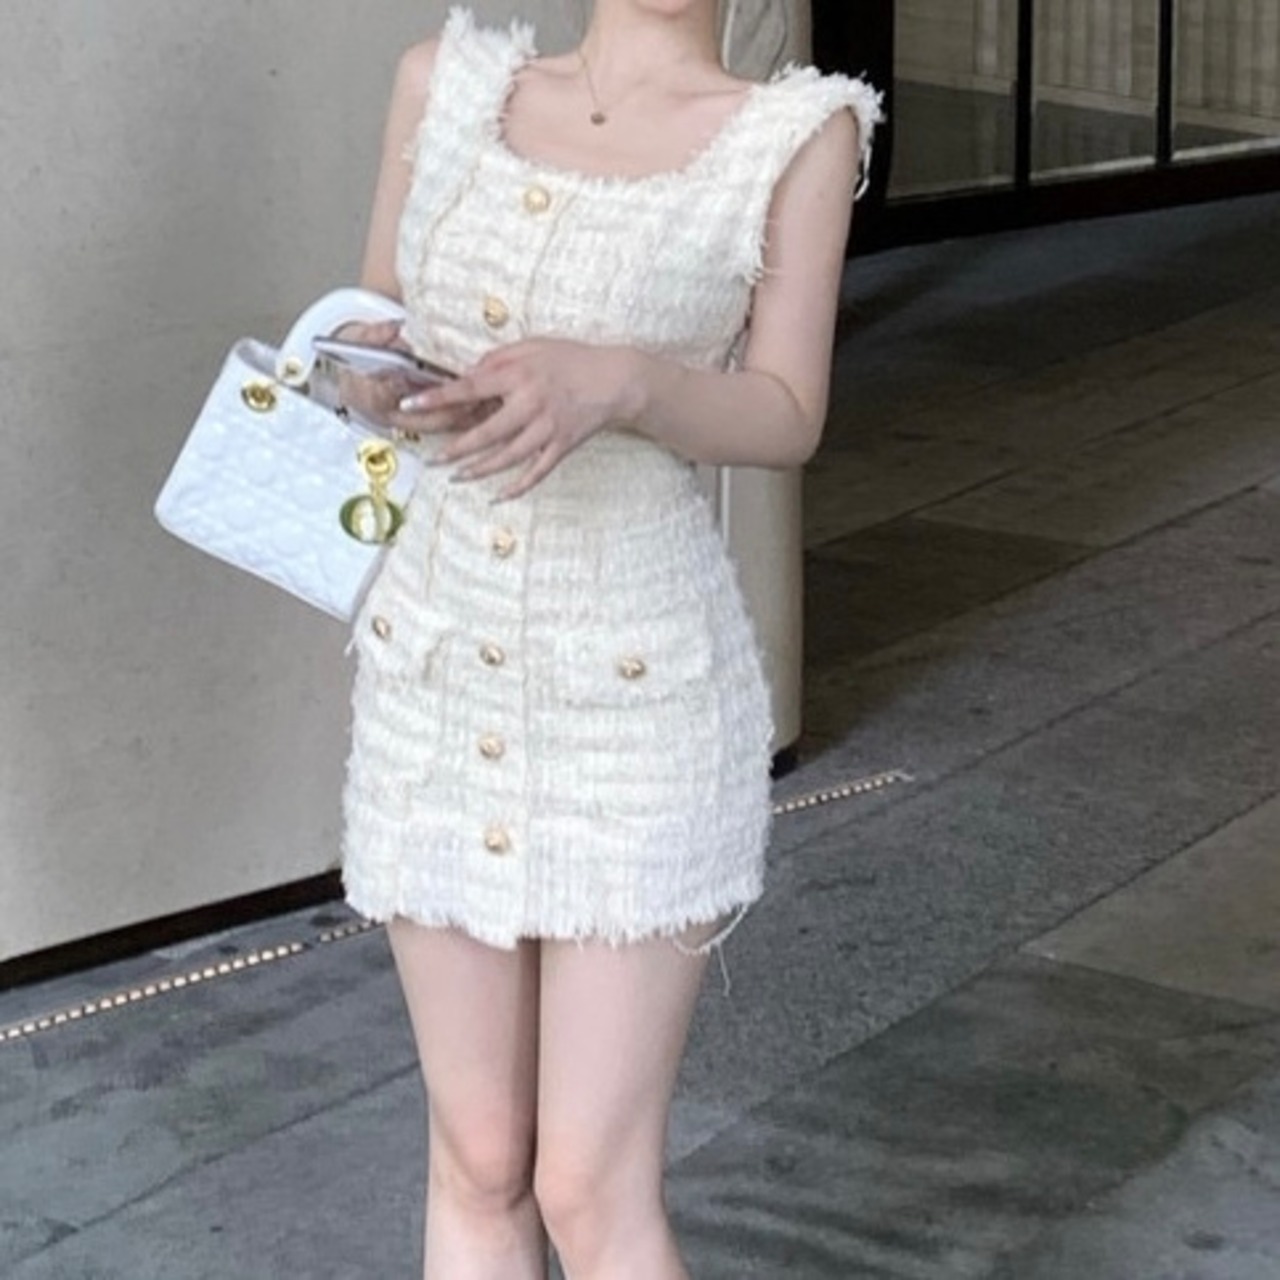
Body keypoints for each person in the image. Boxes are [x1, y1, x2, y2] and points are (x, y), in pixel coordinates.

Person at [335, 2, 881, 1276]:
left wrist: (624, 381)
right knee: (476, 1153)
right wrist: (369, 370)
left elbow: (785, 411)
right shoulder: (442, 83)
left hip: (638, 690)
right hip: (437, 666)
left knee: (587, 1182)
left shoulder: (795, 132)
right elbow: (371, 313)